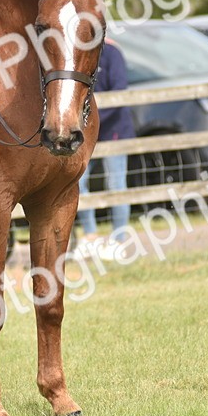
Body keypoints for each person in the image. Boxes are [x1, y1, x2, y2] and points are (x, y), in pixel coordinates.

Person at [73, 39, 136, 261]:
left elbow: (120, 92)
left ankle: (119, 240)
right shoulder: (76, 51)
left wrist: (91, 119)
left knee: (116, 184)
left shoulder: (112, 54)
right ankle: (90, 237)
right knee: (79, 183)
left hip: (113, 129)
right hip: (82, 130)